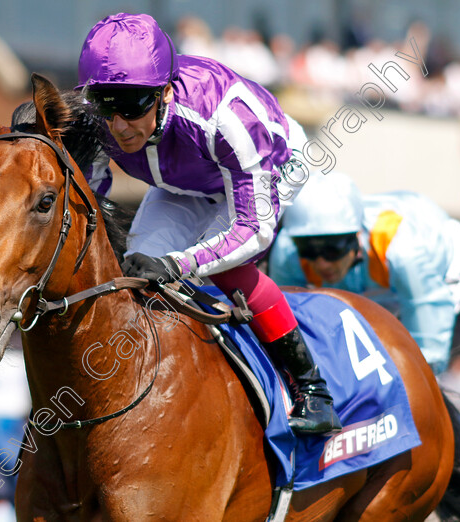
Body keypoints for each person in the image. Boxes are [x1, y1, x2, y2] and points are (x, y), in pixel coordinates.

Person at [76, 12, 340, 433]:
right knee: (140, 267)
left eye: (131, 106)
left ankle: (313, 391)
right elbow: (87, 199)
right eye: (106, 106)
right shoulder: (99, 118)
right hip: (187, 180)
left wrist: (182, 264)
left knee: (225, 265)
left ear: (164, 92)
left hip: (272, 165)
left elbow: (251, 228)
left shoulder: (228, 117)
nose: (118, 125)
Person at [268, 172, 460, 375]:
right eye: (309, 250)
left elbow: (426, 309)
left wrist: (426, 371)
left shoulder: (401, 250)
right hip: (377, 282)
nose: (321, 263)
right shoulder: (288, 251)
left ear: (356, 238)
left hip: (439, 266)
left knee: (405, 352)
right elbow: (286, 321)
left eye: (332, 249)